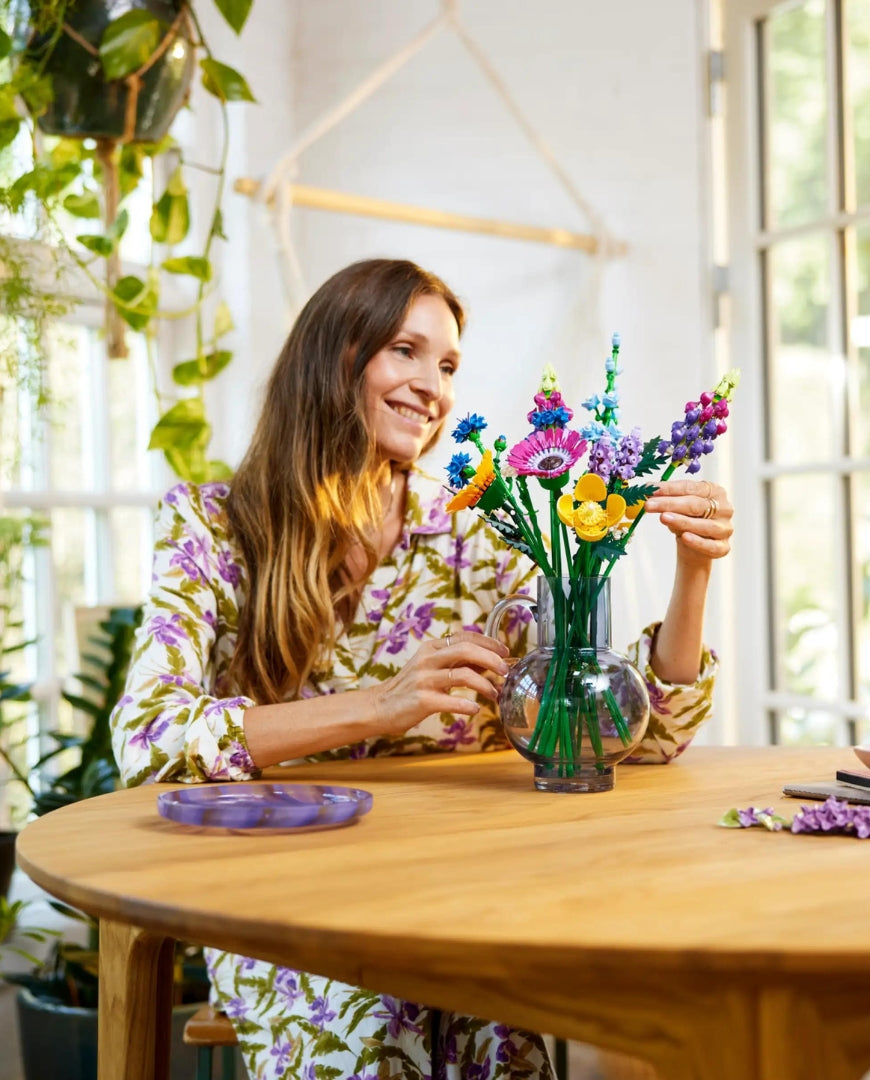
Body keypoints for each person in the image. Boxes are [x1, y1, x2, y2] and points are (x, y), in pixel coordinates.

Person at [111, 258, 734, 1080]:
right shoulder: (212, 526)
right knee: (372, 1022)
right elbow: (151, 740)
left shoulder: (476, 529)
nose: (433, 385)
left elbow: (618, 736)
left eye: (446, 365)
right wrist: (381, 707)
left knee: (496, 1028)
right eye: (406, 351)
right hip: (279, 900)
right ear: (334, 357)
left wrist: (693, 573)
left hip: (452, 893)